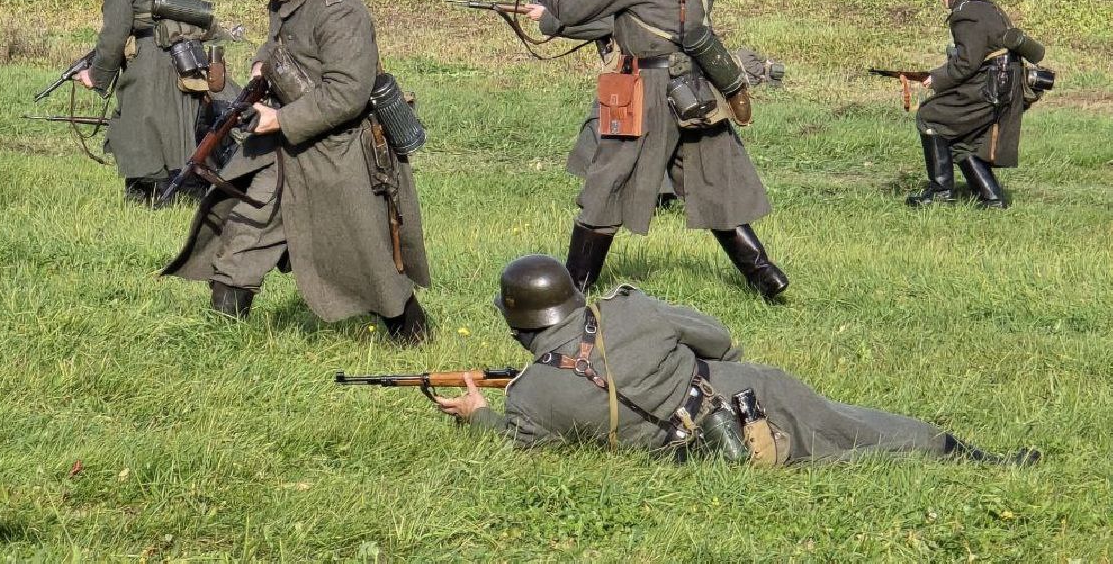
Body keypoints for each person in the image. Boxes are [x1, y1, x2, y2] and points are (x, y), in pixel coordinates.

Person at [433, 255, 1039, 466]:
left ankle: (952, 456)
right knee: (848, 427)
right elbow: (719, 339)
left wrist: (476, 412)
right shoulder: (632, 308)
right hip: (749, 390)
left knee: (837, 450)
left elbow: (522, 437)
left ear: (518, 323)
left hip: (698, 449)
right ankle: (959, 453)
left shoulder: (533, 397)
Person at [163, 0, 433, 342]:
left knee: (361, 257)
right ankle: (217, 343)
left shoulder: (338, 9)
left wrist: (282, 119)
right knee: (245, 229)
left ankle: (413, 335)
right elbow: (280, 43)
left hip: (335, 154)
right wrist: (260, 62)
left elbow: (348, 92)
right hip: (283, 150)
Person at [530, 0, 789, 300]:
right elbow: (670, 6)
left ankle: (572, 292)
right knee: (714, 185)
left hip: (645, 91)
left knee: (606, 184)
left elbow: (571, 8)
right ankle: (766, 277)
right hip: (700, 87)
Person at [76, 0, 204, 205]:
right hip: (187, 60)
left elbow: (113, 36)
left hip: (149, 62)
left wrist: (95, 76)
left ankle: (152, 197)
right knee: (177, 128)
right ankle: (174, 193)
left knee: (136, 127)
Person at [906, 0, 1030, 209]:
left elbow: (966, 62)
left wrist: (937, 79)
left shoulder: (965, 14)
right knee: (964, 138)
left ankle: (940, 193)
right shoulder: (985, 7)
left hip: (989, 87)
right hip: (1001, 85)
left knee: (930, 117)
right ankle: (992, 198)